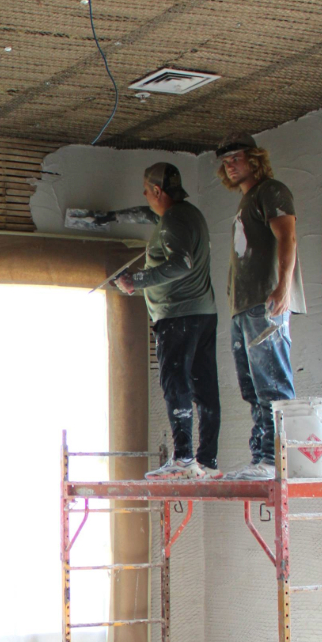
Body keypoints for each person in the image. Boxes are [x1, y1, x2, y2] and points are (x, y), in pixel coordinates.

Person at [113, 162, 221, 479]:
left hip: (178, 316)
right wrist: (108, 218)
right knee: (204, 387)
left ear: (158, 191)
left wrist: (137, 280)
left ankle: (184, 459)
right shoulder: (188, 215)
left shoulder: (173, 219)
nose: (146, 197)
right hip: (203, 314)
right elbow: (147, 215)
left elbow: (182, 263)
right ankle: (208, 462)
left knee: (177, 384)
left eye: (148, 192)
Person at [215, 132, 304, 479]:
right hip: (244, 306)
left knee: (272, 383)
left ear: (254, 158)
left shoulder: (272, 191)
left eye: (236, 157)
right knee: (253, 388)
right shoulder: (247, 200)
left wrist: (282, 288)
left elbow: (288, 237)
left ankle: (275, 460)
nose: (230, 165)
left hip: (265, 302)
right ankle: (262, 458)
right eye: (226, 161)